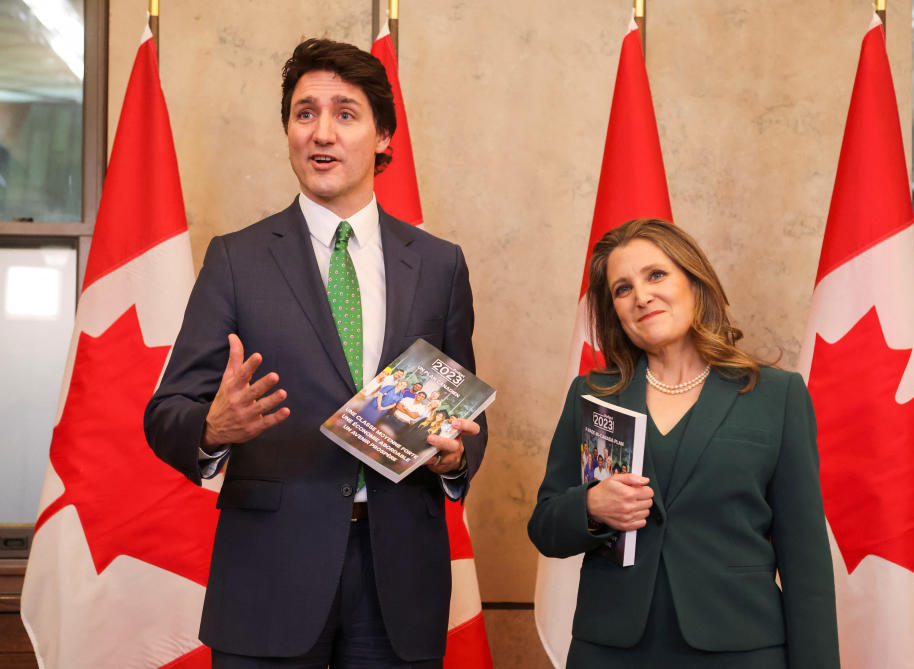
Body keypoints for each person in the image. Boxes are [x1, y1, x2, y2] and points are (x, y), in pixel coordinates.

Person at [144, 37, 486, 668]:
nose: (321, 131)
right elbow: (167, 411)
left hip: (399, 577)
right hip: (269, 574)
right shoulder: (236, 259)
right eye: (305, 113)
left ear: (384, 137)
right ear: (288, 131)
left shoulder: (439, 266)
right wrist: (212, 428)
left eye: (345, 113)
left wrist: (456, 456)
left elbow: (464, 408)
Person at [527, 219, 839, 668]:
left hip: (741, 649)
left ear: (695, 282)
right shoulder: (591, 394)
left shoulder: (777, 395)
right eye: (622, 288)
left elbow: (805, 559)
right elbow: (545, 526)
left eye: (656, 275)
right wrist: (591, 508)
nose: (641, 296)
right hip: (611, 650)